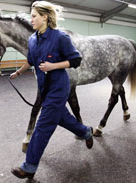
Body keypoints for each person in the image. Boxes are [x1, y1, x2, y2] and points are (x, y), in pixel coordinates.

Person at [10, 1, 94, 179]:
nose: (31, 19)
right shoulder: (32, 39)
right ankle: (86, 131)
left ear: (45, 17)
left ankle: (29, 166)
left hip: (58, 87)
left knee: (43, 125)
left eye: (34, 16)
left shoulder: (60, 37)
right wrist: (19, 71)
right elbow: (31, 60)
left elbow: (76, 60)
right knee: (63, 119)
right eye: (31, 16)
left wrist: (53, 65)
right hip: (44, 88)